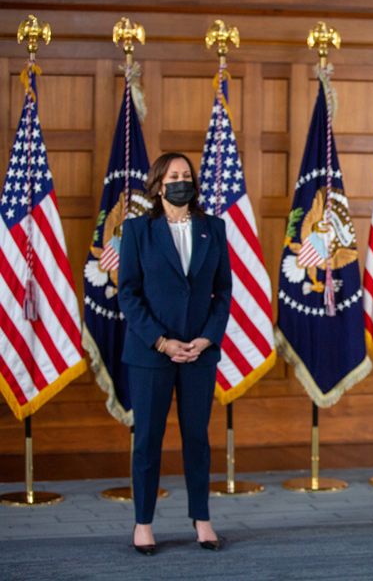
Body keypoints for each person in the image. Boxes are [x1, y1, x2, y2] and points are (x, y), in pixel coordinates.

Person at [118, 152, 231, 555]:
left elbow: (224, 292)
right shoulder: (137, 231)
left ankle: (202, 519)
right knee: (148, 439)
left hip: (199, 352)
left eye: (187, 175)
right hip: (151, 353)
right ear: (158, 185)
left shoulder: (213, 228)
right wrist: (162, 341)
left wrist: (206, 338)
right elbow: (128, 294)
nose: (182, 180)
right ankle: (143, 524)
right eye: (174, 175)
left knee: (197, 438)